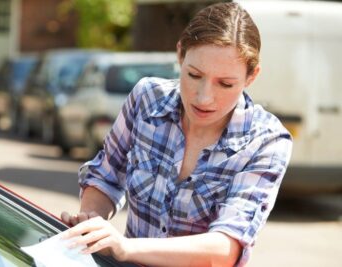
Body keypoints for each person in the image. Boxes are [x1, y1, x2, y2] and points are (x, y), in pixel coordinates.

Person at [60, 2, 292, 266]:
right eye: (194, 75)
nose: (204, 97)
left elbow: (226, 246)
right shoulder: (146, 99)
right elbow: (106, 175)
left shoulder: (267, 141)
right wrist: (91, 222)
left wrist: (125, 248)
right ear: (180, 54)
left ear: (251, 76)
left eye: (225, 84)